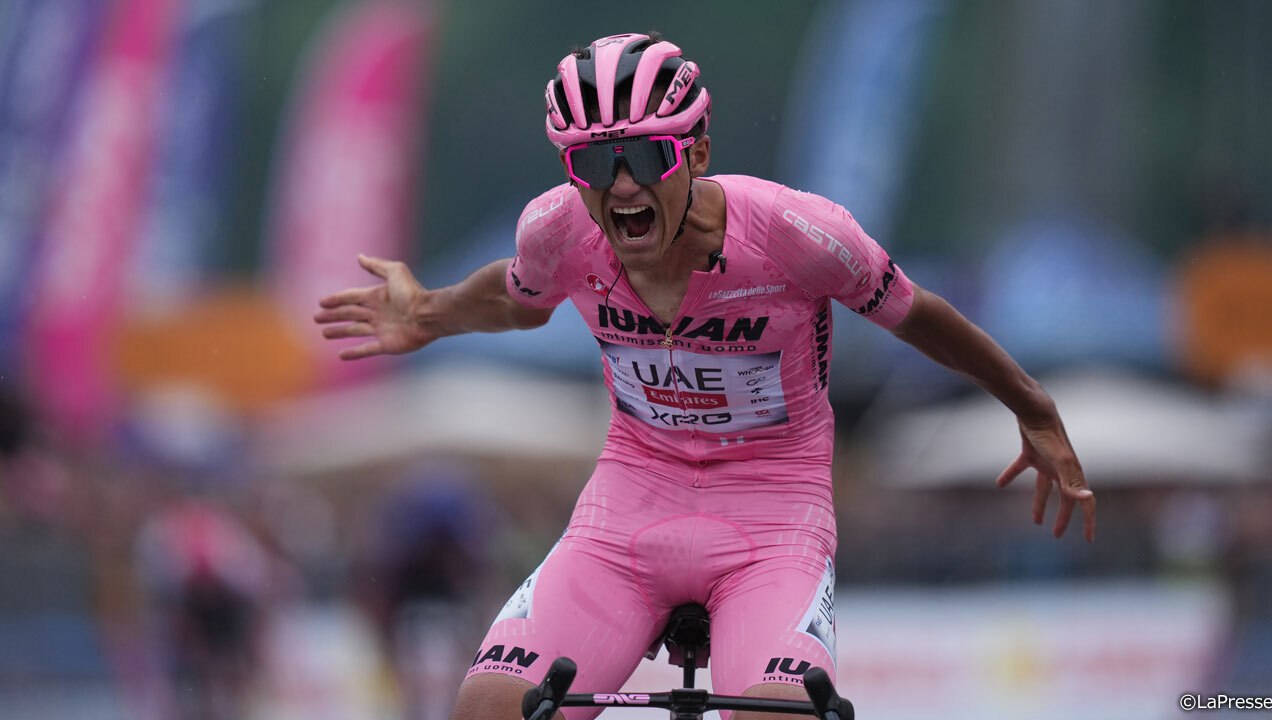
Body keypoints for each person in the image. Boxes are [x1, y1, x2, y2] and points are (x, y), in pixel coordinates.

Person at [314, 32, 1096, 720]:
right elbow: (515, 300)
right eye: (595, 162)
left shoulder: (797, 233)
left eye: (648, 157)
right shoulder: (558, 230)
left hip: (773, 515)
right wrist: (428, 313)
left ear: (697, 154)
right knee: (488, 711)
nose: (622, 185)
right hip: (628, 510)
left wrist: (1032, 407)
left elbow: (917, 315)